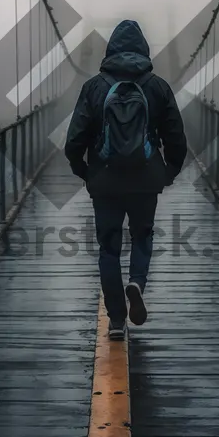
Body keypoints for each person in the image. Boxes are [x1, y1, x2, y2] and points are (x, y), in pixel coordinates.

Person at [64, 19, 187, 340]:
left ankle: (117, 320)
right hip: (146, 180)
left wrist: (85, 172)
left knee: (108, 248)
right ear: (144, 50)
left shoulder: (94, 87)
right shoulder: (158, 87)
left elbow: (73, 142)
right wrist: (167, 173)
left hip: (104, 181)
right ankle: (137, 282)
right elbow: (177, 140)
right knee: (142, 236)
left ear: (110, 50)